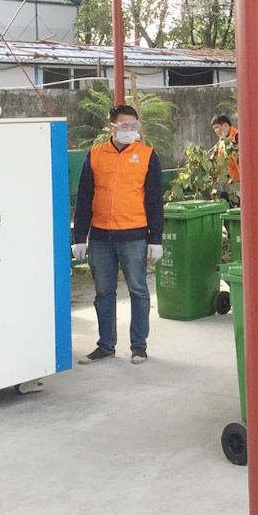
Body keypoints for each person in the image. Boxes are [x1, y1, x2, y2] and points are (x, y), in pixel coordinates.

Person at [72, 105, 164, 365]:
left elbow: (154, 201)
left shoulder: (147, 156)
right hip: (101, 237)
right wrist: (80, 237)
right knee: (103, 293)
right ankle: (105, 346)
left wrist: (155, 239)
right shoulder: (95, 155)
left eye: (134, 126)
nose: (130, 130)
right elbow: (85, 199)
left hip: (134, 235)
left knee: (139, 291)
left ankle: (139, 346)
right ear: (111, 127)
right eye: (124, 126)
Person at [211, 114, 240, 201]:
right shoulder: (221, 141)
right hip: (225, 181)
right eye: (214, 129)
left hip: (238, 180)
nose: (216, 131)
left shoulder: (237, 136)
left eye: (217, 127)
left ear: (225, 125)